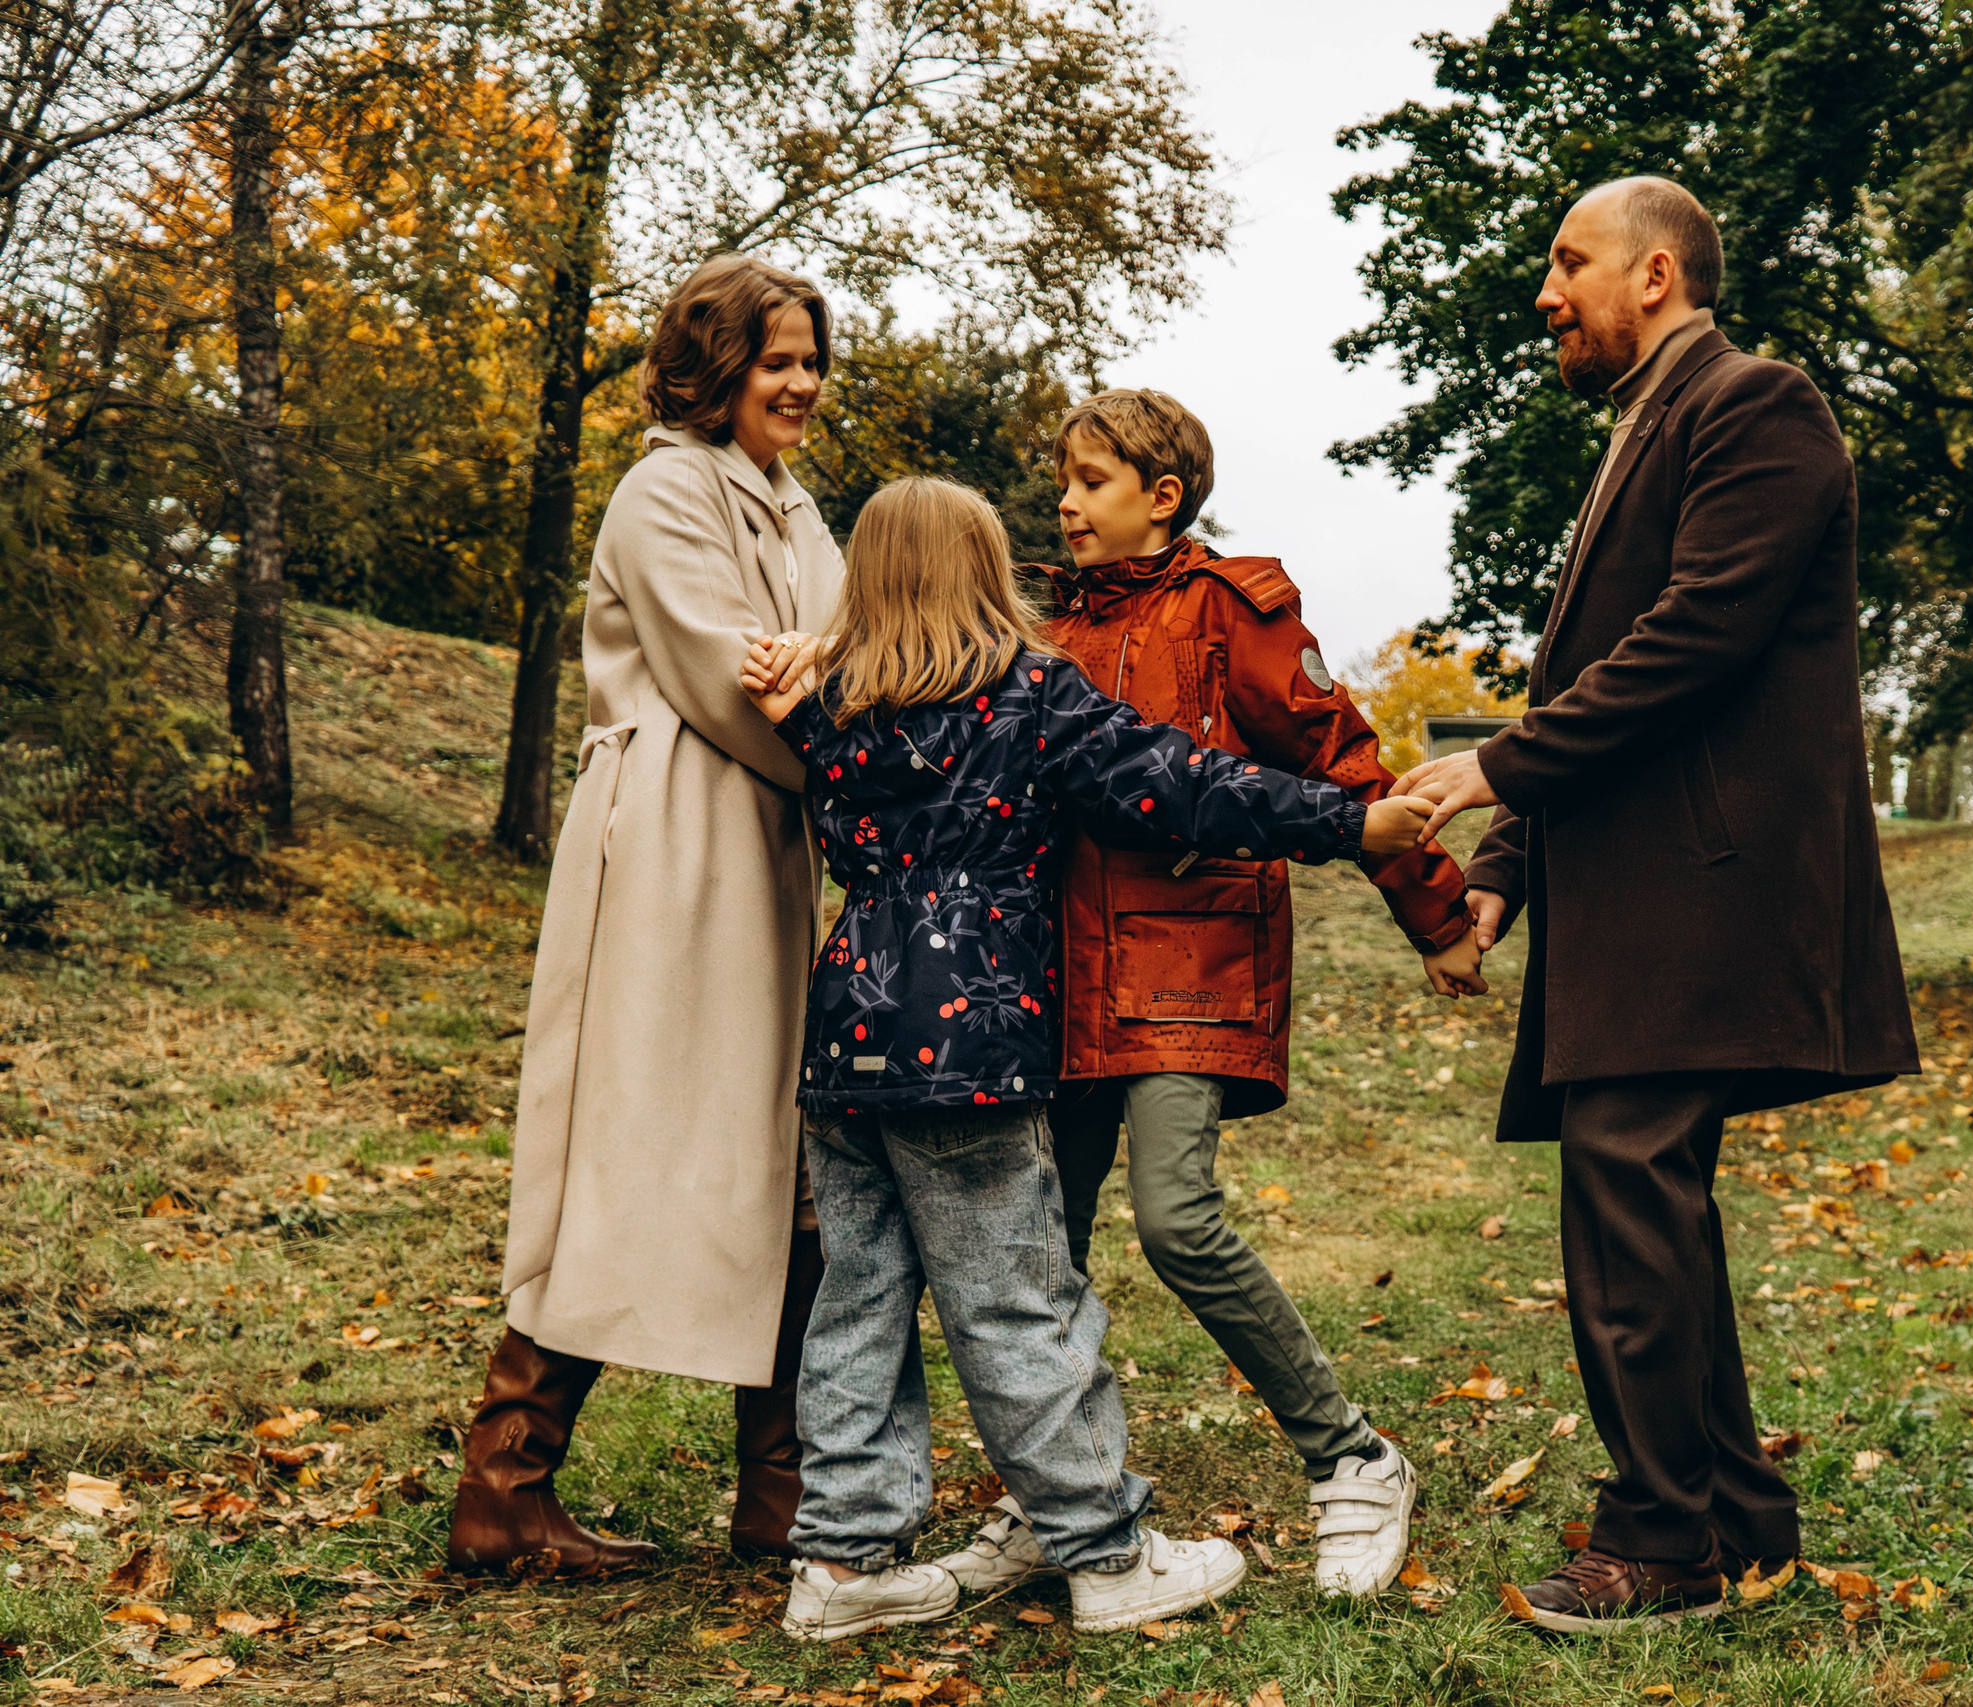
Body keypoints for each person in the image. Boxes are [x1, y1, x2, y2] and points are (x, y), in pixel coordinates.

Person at [735, 477, 1439, 1638]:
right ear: (981, 571)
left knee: (857, 1303)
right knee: (1016, 1304)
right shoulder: (1029, 695)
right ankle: (1105, 1555)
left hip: (846, 1037)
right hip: (969, 1041)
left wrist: (798, 703)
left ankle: (840, 1567)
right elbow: (1184, 787)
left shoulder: (833, 710)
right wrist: (1346, 821)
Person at [1397, 177, 1920, 1633]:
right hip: (1635, 891)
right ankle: (1738, 1521)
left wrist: (1492, 769)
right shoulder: (1644, 425)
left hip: (1708, 888)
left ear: (1656, 272)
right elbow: (1589, 675)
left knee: (1628, 1184)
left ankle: (1663, 1542)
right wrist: (1500, 874)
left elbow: (1698, 637)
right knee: (1649, 1200)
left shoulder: (1758, 404)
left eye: (1569, 262)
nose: (1545, 292)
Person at [968, 388, 1478, 1602]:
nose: (1064, 502)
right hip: (1053, 976)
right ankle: (1061, 1496)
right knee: (1043, 1246)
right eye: (1061, 480)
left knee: (1176, 1220)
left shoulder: (1232, 613)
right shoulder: (1035, 623)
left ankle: (1351, 1457)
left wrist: (1436, 913)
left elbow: (1341, 760)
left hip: (1189, 965)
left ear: (1162, 496)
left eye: (1090, 482)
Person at [449, 254, 843, 1576]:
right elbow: (734, 682)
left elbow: (852, 650)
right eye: (776, 361)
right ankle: (505, 1488)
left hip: (768, 850)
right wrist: (856, 741)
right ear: (716, 368)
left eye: (811, 361)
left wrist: (840, 685)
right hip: (676, 847)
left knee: (787, 1151)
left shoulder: (795, 506)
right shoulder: (664, 490)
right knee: (638, 1137)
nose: (801, 383)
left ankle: (784, 1497)